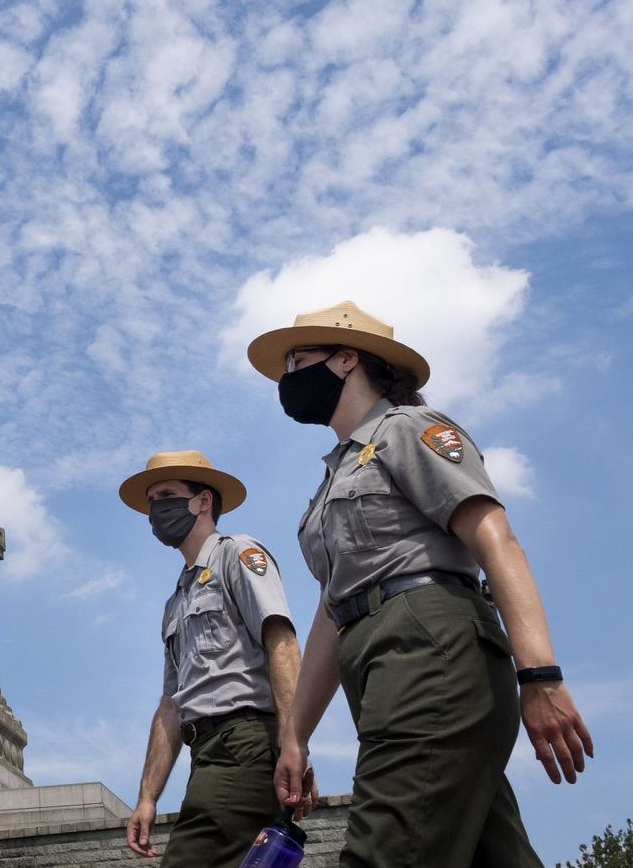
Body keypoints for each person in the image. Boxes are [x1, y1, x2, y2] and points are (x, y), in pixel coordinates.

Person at [248, 300, 594, 867]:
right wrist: (295, 735)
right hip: (380, 665)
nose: (288, 378)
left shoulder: (409, 430)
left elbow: (496, 540)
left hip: (428, 649)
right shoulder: (335, 474)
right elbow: (336, 606)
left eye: (298, 361)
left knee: (385, 852)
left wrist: (540, 676)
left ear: (345, 359)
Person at [118, 451, 307, 865]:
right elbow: (171, 705)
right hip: (205, 753)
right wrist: (147, 798)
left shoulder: (237, 553)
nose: (156, 510)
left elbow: (282, 644)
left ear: (203, 501)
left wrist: (294, 742)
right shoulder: (175, 603)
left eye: (166, 495)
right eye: (151, 501)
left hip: (243, 742)